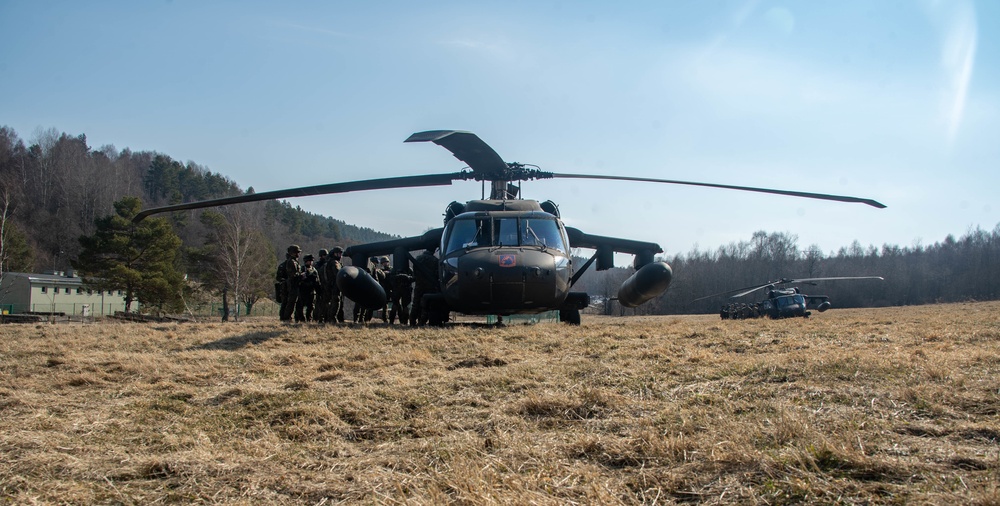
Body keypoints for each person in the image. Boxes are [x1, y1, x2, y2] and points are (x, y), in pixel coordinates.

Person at [409, 248, 440, 326]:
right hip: (430, 286)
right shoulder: (435, 260)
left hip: (419, 284)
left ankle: (412, 321)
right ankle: (422, 322)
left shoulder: (418, 259)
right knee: (427, 304)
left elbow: (414, 272)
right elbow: (437, 274)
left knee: (415, 304)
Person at [277, 245, 301, 321]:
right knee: (290, 302)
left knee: (285, 302)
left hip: (286, 285)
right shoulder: (292, 262)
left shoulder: (285, 263)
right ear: (293, 253)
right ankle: (286, 317)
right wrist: (301, 276)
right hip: (292, 285)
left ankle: (283, 317)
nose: (298, 254)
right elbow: (293, 275)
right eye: (297, 252)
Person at [295, 254, 320, 322]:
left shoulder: (314, 270)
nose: (310, 262)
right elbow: (297, 280)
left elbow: (317, 281)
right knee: (299, 306)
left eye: (311, 261)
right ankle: (300, 319)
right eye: (309, 261)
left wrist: (318, 290)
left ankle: (309, 319)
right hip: (302, 290)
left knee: (310, 307)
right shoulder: (302, 269)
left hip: (311, 291)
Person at [324, 247, 345, 323]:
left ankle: (329, 318)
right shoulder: (334, 263)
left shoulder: (330, 261)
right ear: (335, 254)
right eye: (339, 253)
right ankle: (332, 318)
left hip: (331, 285)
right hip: (334, 285)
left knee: (331, 302)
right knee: (335, 302)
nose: (340, 255)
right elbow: (338, 273)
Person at [314, 249, 329, 323]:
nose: (325, 257)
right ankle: (317, 318)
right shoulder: (318, 265)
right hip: (320, 285)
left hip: (326, 285)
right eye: (324, 255)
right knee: (319, 303)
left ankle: (325, 318)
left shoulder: (327, 264)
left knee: (326, 303)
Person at [376, 256, 393, 323]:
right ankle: (385, 319)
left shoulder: (392, 269)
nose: (385, 264)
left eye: (386, 262)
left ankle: (393, 319)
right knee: (385, 305)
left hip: (391, 288)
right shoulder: (380, 271)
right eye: (383, 263)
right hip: (384, 289)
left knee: (396, 305)